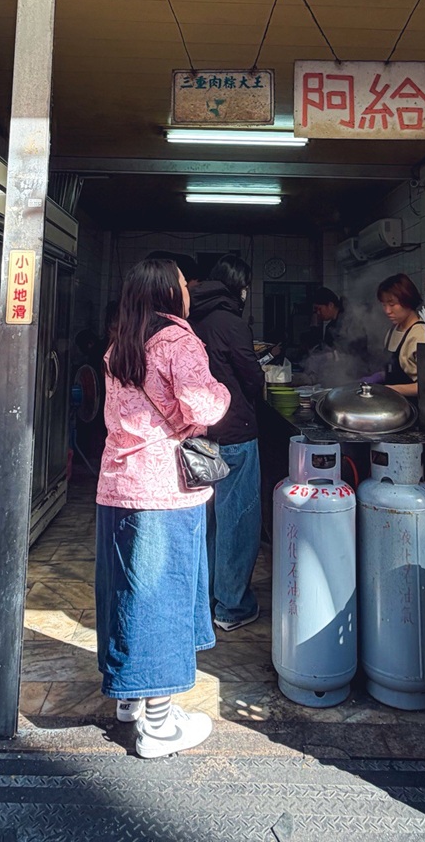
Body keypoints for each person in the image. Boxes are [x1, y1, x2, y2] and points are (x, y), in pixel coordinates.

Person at [97, 257, 230, 759]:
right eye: (181, 283)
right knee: (162, 597)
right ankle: (158, 724)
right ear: (169, 293)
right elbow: (202, 407)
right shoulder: (178, 340)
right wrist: (221, 392)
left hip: (118, 486)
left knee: (126, 592)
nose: (188, 290)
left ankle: (129, 700)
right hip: (164, 492)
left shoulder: (121, 344)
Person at [187, 254, 265, 632]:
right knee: (238, 521)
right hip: (235, 433)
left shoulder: (189, 320)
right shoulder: (232, 323)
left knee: (207, 522)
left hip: (199, 434)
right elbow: (251, 377)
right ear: (240, 287)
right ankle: (231, 607)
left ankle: (205, 598)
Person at [377, 272, 425, 398]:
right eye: (384, 305)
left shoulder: (419, 335)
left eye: (392, 304)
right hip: (392, 407)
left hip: (412, 410)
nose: (387, 311)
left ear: (407, 300)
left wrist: (389, 390)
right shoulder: (392, 331)